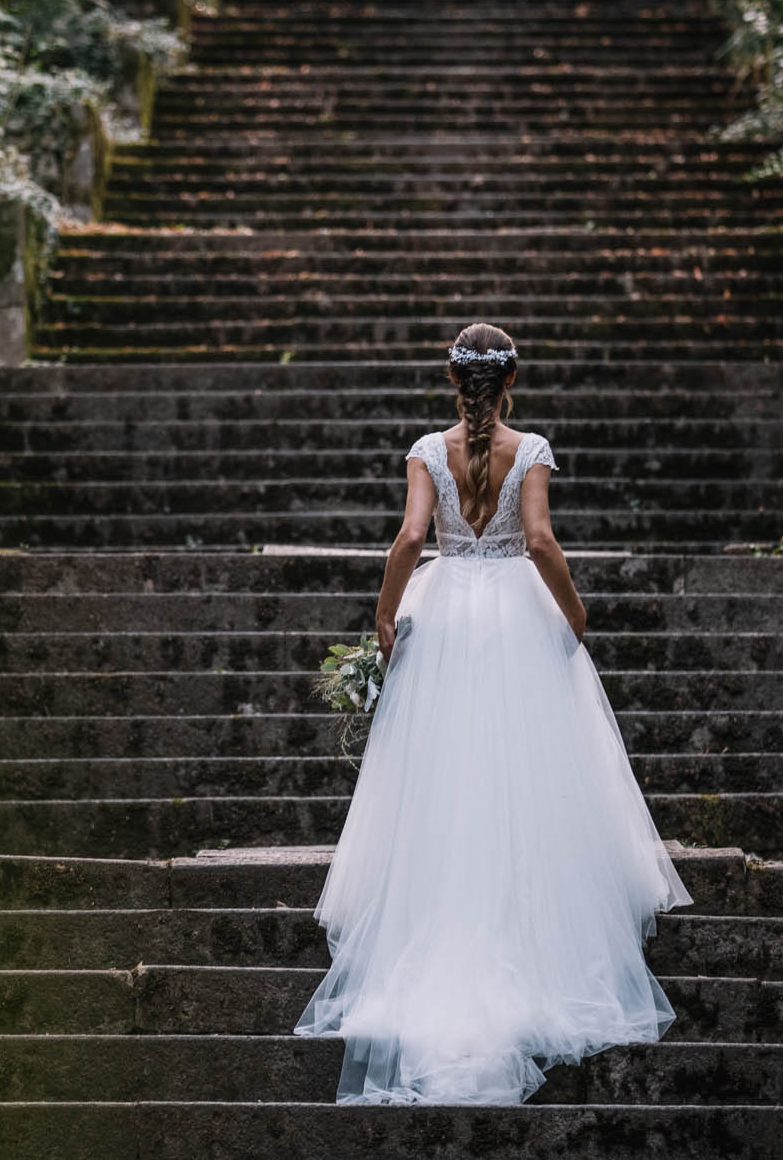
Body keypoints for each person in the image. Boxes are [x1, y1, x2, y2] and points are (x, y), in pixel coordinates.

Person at [293, 322, 692, 1104]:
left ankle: (435, 933)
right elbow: (539, 541)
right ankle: (538, 937)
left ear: (453, 382)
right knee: (528, 776)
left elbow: (411, 537)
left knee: (441, 780)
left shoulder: (425, 450)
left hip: (444, 620)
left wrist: (386, 614)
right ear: (513, 381)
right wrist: (573, 615)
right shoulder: (532, 448)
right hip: (514, 615)